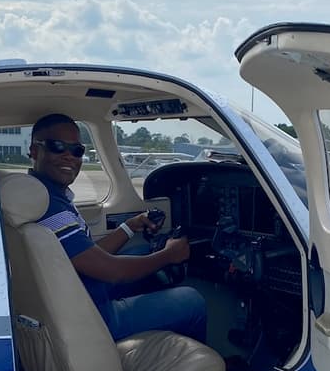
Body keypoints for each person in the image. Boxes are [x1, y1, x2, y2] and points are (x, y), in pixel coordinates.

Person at [27, 112, 208, 343]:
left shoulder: (41, 196)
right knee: (192, 300)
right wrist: (169, 255)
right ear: (34, 151)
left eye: (76, 150)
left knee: (143, 254)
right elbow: (111, 270)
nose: (69, 157)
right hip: (94, 317)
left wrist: (130, 226)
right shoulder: (49, 207)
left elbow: (85, 254)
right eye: (57, 146)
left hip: (76, 294)